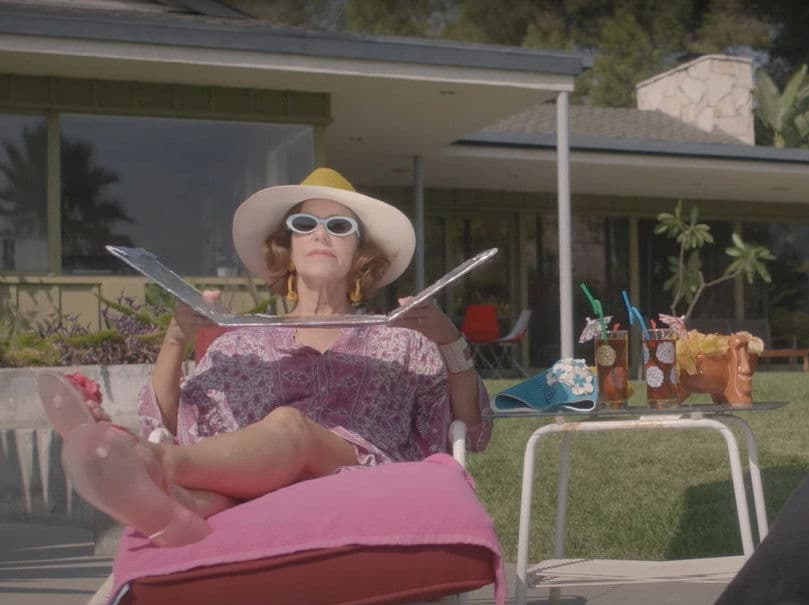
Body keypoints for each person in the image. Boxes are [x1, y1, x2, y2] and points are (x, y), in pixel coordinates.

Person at [39, 168, 492, 546]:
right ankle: (176, 508)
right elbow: (173, 422)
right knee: (222, 491)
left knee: (290, 427)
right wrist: (176, 338)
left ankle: (145, 462)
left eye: (340, 227)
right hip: (259, 491)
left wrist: (448, 341)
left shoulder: (404, 342)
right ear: (287, 247)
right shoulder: (241, 344)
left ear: (360, 254)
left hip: (363, 478)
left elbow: (470, 431)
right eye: (305, 225)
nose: (321, 234)